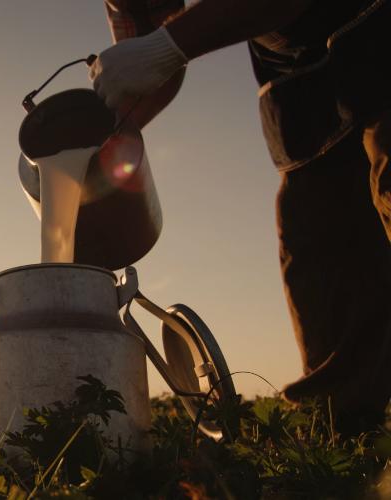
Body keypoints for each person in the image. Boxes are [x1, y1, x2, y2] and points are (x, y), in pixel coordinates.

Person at [89, 0, 391, 434]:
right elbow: (154, 59)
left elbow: (167, 47)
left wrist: (166, 46)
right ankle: (343, 437)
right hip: (306, 88)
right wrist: (117, 122)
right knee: (319, 245)